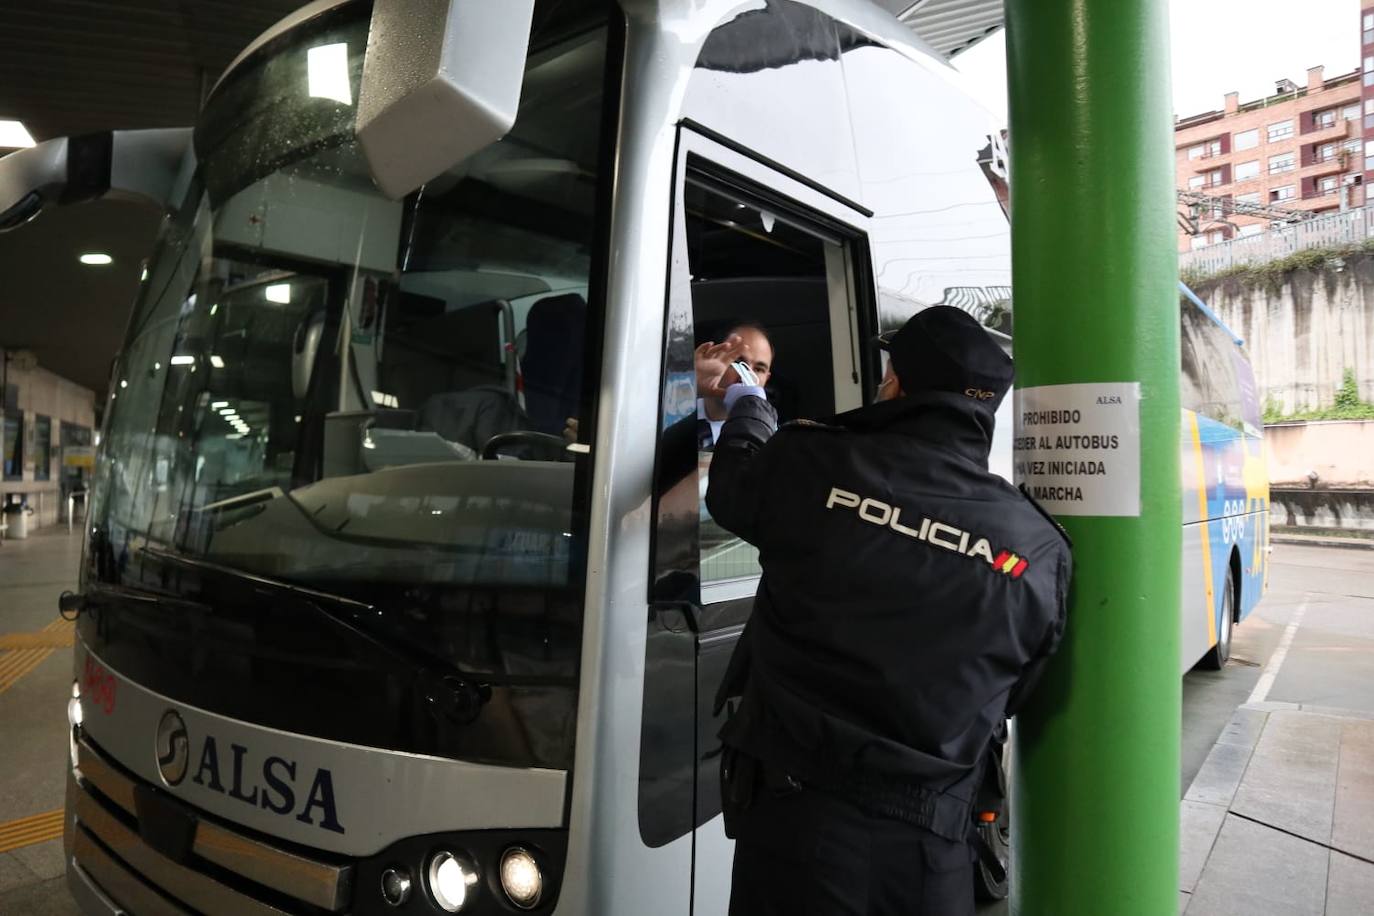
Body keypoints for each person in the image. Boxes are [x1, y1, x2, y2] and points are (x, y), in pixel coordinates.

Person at [706, 305, 1072, 916]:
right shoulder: (1037, 549)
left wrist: (748, 406)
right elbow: (1014, 691)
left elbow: (732, 489)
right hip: (933, 860)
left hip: (792, 839)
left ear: (896, 384)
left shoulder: (813, 462)